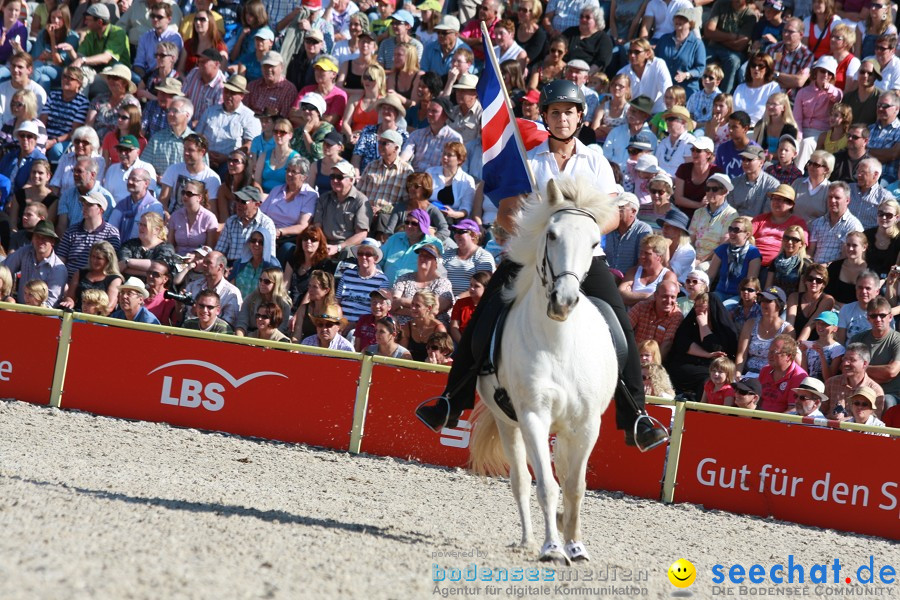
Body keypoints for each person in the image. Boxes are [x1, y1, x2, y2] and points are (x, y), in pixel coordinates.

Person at [416, 79, 667, 450]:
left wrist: (579, 234)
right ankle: (453, 399)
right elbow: (504, 213)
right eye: (555, 112)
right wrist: (530, 233)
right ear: (545, 117)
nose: (562, 118)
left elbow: (614, 211)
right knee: (484, 315)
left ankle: (636, 417)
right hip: (533, 256)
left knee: (620, 328)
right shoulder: (529, 162)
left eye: (569, 111)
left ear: (581, 116)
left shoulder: (595, 159)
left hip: (585, 258)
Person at [666, 292, 741, 398]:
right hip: (686, 364)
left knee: (707, 379)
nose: (698, 310)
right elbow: (682, 344)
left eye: (702, 306)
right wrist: (706, 355)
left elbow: (714, 348)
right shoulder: (691, 323)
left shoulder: (725, 328)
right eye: (696, 306)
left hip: (712, 368)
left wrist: (703, 325)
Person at [195, 74, 260, 171]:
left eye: (233, 93)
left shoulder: (250, 117)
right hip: (205, 158)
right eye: (226, 91)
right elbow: (198, 135)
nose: (228, 95)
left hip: (231, 164)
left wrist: (229, 157)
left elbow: (250, 145)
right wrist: (205, 152)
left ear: (242, 95)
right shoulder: (210, 111)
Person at [849, 296, 900, 409]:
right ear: (868, 318)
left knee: (886, 401)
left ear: (890, 317)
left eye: (882, 315)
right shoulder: (857, 339)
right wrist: (883, 373)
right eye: (873, 316)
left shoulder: (897, 340)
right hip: (860, 391)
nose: (878, 319)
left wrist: (860, 369)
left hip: (890, 394)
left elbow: (891, 372)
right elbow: (847, 368)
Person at [0, 219, 67, 305]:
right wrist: (6, 296)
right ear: (32, 239)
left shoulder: (59, 268)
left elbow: (51, 304)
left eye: (44, 238)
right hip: (19, 309)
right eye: (37, 236)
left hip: (44, 315)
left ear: (52, 241)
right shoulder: (25, 251)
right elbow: (4, 269)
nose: (40, 240)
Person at [312, 161, 371, 257]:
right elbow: (317, 226)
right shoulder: (324, 198)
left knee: (347, 252)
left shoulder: (361, 201)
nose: (335, 180)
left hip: (346, 247)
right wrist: (323, 245)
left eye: (339, 177)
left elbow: (361, 234)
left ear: (351, 180)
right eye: (332, 177)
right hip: (325, 243)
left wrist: (339, 247)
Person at [56, 192, 121, 277]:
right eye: (83, 205)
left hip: (97, 282)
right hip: (69, 281)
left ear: (100, 210)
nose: (84, 208)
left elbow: (112, 263)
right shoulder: (71, 231)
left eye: (89, 205)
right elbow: (60, 261)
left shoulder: (111, 233)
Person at [736, 286, 793, 375]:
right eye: (762, 300)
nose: (763, 303)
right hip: (748, 373)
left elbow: (786, 361)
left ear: (779, 305)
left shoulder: (787, 330)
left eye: (768, 301)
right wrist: (737, 374)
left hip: (770, 376)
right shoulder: (750, 324)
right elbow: (741, 355)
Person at [336, 237, 389, 329]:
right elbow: (337, 302)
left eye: (368, 254)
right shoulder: (347, 275)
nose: (363, 257)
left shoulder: (382, 280)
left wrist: (356, 325)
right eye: (360, 254)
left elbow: (379, 311)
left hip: (365, 327)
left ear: (375, 258)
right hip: (341, 324)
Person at [708, 216, 762, 305]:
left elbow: (750, 283)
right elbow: (710, 277)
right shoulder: (722, 249)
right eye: (730, 229)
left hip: (739, 296)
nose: (732, 233)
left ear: (747, 234)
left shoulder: (753, 253)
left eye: (736, 230)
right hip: (720, 292)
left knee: (724, 308)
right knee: (707, 305)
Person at [753, 185, 807, 273]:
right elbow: (745, 235)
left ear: (791, 204)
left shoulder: (798, 223)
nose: (776, 202)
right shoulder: (760, 219)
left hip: (778, 266)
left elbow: (802, 245)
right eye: (774, 198)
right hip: (753, 262)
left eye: (780, 200)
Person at [215, 186, 277, 263]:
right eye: (237, 200)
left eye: (243, 202)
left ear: (257, 204)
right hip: (229, 266)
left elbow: (269, 257)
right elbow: (219, 251)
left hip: (251, 268)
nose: (238, 204)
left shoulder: (266, 224)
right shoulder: (231, 221)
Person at [59, 240, 122, 313]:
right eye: (93, 256)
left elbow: (110, 306)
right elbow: (70, 296)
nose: (94, 260)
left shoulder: (114, 279)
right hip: (78, 315)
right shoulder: (80, 273)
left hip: (100, 318)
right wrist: (69, 302)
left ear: (108, 260)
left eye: (99, 258)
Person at [808, 182, 864, 264]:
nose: (832, 200)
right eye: (830, 197)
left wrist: (826, 266)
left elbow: (847, 257)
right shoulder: (817, 223)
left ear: (847, 200)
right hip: (815, 271)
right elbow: (811, 251)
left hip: (837, 271)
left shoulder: (853, 226)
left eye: (837, 198)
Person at [184, 250, 242, 327]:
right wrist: (179, 305)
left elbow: (229, 325)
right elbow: (182, 316)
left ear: (220, 266)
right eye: (204, 262)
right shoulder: (193, 286)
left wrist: (201, 315)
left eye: (208, 263)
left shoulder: (231, 293)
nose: (203, 265)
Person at [628, 280, 682, 360]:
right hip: (633, 356)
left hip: (655, 361)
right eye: (665, 296)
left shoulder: (676, 316)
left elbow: (667, 344)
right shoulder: (641, 307)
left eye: (673, 297)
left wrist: (653, 365)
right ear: (655, 295)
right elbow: (625, 328)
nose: (669, 301)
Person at [619, 234, 679, 307]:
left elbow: (663, 302)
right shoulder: (633, 271)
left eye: (647, 254)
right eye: (641, 252)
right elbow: (620, 295)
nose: (642, 256)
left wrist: (630, 296)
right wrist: (647, 296)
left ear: (659, 257)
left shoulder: (668, 276)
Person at [441, 220, 495, 296]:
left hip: (469, 303)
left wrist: (457, 299)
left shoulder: (483, 256)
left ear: (473, 235)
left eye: (460, 232)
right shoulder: (447, 254)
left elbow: (482, 286)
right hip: (444, 300)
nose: (456, 235)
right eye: (455, 232)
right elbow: (436, 278)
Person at [284, 224, 332, 309]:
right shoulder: (293, 257)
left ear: (320, 243)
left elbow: (311, 293)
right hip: (288, 305)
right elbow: (285, 285)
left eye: (313, 240)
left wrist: (298, 314)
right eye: (305, 239)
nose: (308, 242)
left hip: (309, 308)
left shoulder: (324, 264)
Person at [673, 137, 721, 219]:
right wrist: (699, 205)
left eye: (698, 151)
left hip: (707, 215)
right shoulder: (683, 168)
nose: (694, 153)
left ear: (708, 154)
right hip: (682, 215)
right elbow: (678, 199)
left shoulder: (717, 172)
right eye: (692, 150)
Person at [759, 333, 808, 413]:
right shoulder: (765, 370)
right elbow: (757, 399)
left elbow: (793, 409)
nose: (769, 355)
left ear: (788, 356)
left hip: (781, 423)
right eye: (769, 352)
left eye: (774, 352)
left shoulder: (799, 377)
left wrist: (769, 420)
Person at [788, 263, 836, 340]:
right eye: (810, 279)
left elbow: (810, 325)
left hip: (815, 343)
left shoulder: (827, 300)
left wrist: (797, 348)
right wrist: (790, 346)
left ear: (823, 284)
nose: (814, 282)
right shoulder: (794, 297)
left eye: (818, 280)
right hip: (792, 340)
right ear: (805, 281)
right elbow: (789, 324)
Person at [729, 146, 780, 218]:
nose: (745, 163)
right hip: (735, 225)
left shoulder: (772, 185)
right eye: (743, 159)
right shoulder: (734, 183)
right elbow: (730, 211)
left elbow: (768, 215)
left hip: (761, 226)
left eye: (749, 159)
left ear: (761, 162)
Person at [228, 229, 279, 299]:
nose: (256, 244)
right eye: (253, 241)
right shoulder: (239, 263)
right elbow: (231, 287)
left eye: (261, 242)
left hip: (261, 307)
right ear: (249, 243)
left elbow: (277, 292)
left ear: (267, 245)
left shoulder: (273, 265)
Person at [733, 52, 781, 124]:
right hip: (737, 129)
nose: (756, 68)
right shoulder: (740, 88)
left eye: (761, 66)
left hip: (760, 130)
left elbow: (774, 115)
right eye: (753, 65)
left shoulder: (773, 87)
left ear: (767, 69)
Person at [399, 289, 446, 361]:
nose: (413, 308)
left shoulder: (439, 329)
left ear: (429, 308)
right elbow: (402, 353)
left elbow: (440, 356)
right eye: (412, 304)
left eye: (417, 305)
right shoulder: (407, 327)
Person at [292, 269, 338, 342]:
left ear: (326, 290)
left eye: (315, 287)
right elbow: (297, 335)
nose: (310, 290)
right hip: (305, 347)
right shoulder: (303, 309)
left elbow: (335, 338)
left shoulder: (335, 310)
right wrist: (294, 348)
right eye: (309, 286)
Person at [836, 270, 880, 344]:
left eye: (868, 288)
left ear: (877, 292)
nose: (863, 291)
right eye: (860, 287)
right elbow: (840, 342)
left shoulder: (883, 313)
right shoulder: (846, 309)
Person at [824, 232, 868, 307]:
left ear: (864, 247)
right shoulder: (835, 266)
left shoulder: (870, 271)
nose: (850, 248)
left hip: (860, 311)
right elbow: (825, 292)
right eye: (848, 245)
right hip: (834, 308)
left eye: (854, 245)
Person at [791, 149, 834, 223]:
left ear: (826, 170)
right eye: (810, 163)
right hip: (793, 229)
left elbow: (830, 218)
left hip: (817, 232)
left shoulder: (830, 190)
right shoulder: (797, 183)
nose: (811, 166)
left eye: (815, 165)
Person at [849, 158, 892, 230]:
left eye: (863, 172)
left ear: (875, 175)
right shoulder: (848, 189)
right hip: (845, 234)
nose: (858, 175)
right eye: (858, 171)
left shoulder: (884, 197)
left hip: (869, 237)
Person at [801, 310, 844, 380]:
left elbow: (828, 378)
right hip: (808, 385)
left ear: (835, 328)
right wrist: (803, 353)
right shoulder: (809, 344)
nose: (820, 326)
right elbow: (804, 374)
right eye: (818, 323)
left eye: (825, 324)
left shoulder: (839, 349)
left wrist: (821, 355)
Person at [142, 260, 177, 326]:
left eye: (156, 274)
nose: (150, 276)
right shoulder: (140, 293)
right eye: (149, 272)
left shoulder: (168, 299)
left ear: (165, 279)